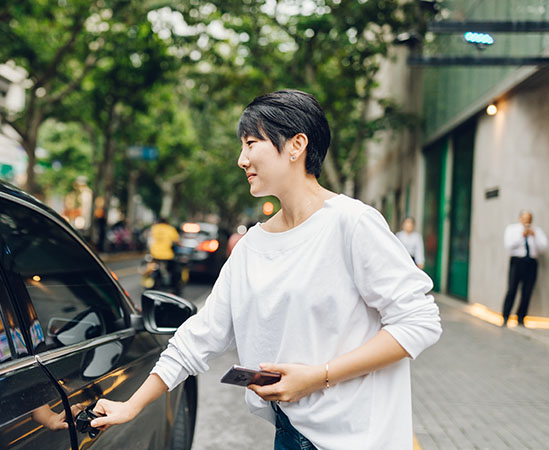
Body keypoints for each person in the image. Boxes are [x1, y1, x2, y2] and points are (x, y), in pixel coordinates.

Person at [90, 90, 441, 450]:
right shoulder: (251, 247)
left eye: (251, 143)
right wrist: (131, 405)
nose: (242, 159)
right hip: (291, 435)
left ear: (296, 145)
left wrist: (319, 376)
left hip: (362, 438)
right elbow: (198, 337)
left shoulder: (352, 223)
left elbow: (418, 321)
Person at [501, 210, 548, 327]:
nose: (527, 221)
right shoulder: (512, 229)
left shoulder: (537, 231)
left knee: (527, 291)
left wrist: (534, 236)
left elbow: (543, 248)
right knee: (512, 289)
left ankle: (521, 317)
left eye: (529, 219)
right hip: (517, 261)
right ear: (520, 218)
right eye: (525, 218)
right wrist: (521, 236)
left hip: (531, 262)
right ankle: (505, 316)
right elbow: (508, 245)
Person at [147, 218, 180, 289]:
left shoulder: (153, 228)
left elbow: (149, 240)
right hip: (167, 255)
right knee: (174, 270)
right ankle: (174, 286)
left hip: (154, 254)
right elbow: (177, 241)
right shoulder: (170, 229)